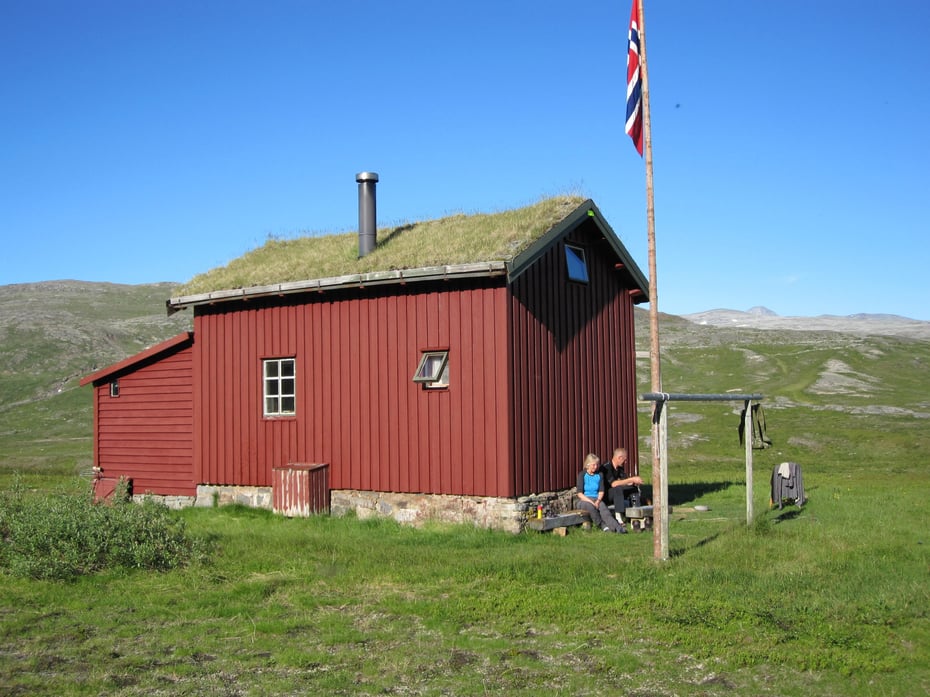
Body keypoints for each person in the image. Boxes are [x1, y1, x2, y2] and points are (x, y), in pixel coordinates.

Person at [576, 453, 627, 533]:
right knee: (591, 507)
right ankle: (602, 525)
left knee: (605, 510)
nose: (596, 467)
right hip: (584, 500)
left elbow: (601, 491)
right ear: (588, 464)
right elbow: (579, 493)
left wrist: (598, 501)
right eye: (593, 465)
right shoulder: (582, 475)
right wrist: (591, 502)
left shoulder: (599, 475)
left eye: (597, 464)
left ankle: (617, 528)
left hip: (597, 498)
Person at [602, 447, 644, 522]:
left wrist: (634, 482)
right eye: (625, 459)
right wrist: (631, 479)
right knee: (617, 488)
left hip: (617, 493)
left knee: (633, 488)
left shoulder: (620, 469)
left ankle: (636, 511)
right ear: (619, 458)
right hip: (605, 495)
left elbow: (625, 481)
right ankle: (619, 516)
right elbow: (614, 484)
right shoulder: (606, 467)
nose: (625, 462)